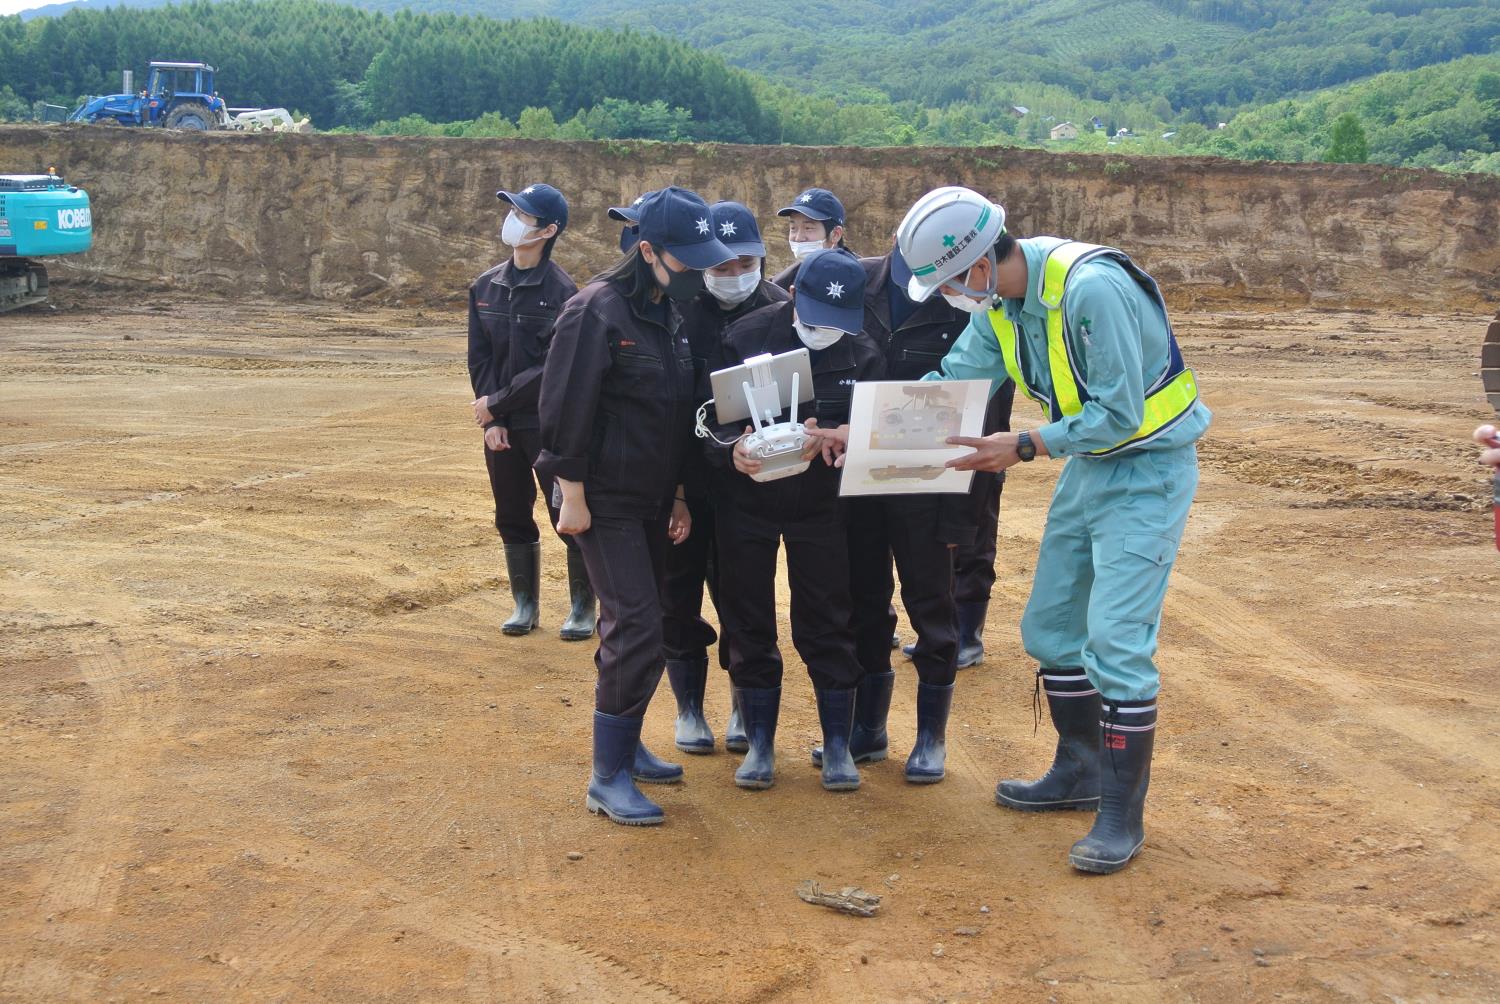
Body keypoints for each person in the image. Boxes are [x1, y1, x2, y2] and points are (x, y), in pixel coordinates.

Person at [810, 186, 1209, 872]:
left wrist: (1020, 445)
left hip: (1148, 468)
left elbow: (1120, 413)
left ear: (977, 264)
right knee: (1051, 630)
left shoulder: (1093, 290)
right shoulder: (1001, 306)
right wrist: (865, 434)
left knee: (1114, 639)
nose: (947, 297)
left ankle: (1120, 817)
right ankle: (1079, 769)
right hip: (1092, 470)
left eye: (947, 283)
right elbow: (946, 383)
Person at [537, 186, 735, 826]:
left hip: (651, 495)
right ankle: (607, 775)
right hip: (598, 498)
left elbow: (675, 412)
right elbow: (563, 410)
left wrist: (677, 494)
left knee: (634, 628)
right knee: (638, 626)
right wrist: (573, 497)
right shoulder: (596, 311)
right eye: (688, 262)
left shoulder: (665, 312)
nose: (697, 275)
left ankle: (626, 745)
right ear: (647, 250)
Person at [808, 241, 1012, 785]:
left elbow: (988, 403)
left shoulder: (968, 300)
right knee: (862, 605)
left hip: (933, 481)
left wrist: (974, 497)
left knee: (932, 605)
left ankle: (930, 738)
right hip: (856, 476)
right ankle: (868, 729)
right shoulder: (852, 284)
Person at [707, 248, 883, 791]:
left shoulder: (866, 353)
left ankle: (837, 745)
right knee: (747, 615)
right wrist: (730, 451)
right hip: (747, 504)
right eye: (813, 317)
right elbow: (707, 421)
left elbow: (875, 431)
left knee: (828, 615)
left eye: (838, 321)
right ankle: (759, 744)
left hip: (823, 507)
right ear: (792, 296)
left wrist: (838, 437)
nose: (824, 329)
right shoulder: (747, 336)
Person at [660, 201, 789, 755]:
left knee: (746, 599)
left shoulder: (784, 311)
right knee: (677, 595)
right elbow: (665, 406)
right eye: (721, 267)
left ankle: (743, 702)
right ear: (701, 265)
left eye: (746, 263)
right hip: (686, 482)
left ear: (762, 257)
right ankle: (690, 707)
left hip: (750, 484)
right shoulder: (676, 311)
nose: (735, 276)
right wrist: (675, 491)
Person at [467, 183, 591, 640]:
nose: (512, 219)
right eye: (512, 210)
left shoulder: (564, 294)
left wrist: (497, 404)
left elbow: (551, 369)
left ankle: (583, 606)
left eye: (523, 214)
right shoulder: (485, 287)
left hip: (547, 424)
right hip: (502, 428)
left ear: (549, 230)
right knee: (511, 513)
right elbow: (480, 359)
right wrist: (493, 419)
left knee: (566, 515)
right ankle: (525, 604)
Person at [771, 188, 851, 291]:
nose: (798, 238)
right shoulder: (781, 284)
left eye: (808, 228)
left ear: (835, 234)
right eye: (793, 228)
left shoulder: (863, 279)